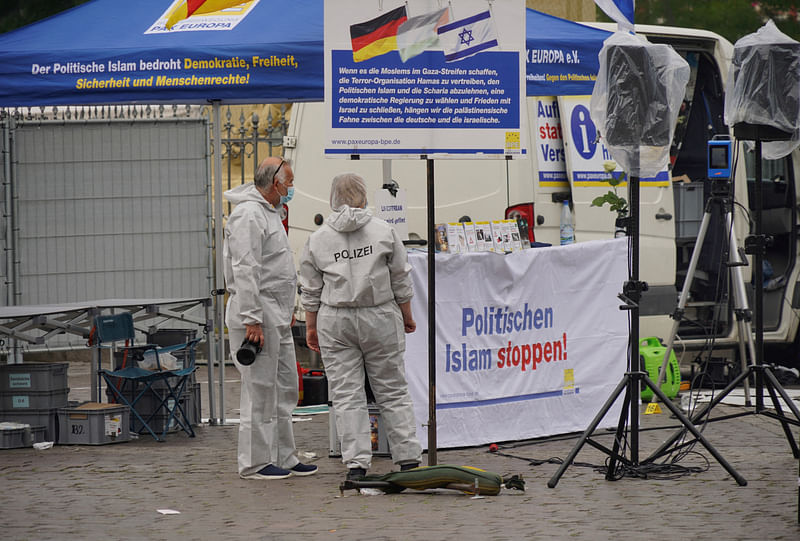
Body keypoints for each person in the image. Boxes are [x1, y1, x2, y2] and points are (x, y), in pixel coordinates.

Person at [298, 172, 423, 482]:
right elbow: (400, 278)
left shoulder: (318, 239)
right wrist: (406, 314)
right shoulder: (383, 231)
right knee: (392, 389)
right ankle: (408, 459)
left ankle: (356, 464)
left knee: (346, 394)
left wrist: (311, 326)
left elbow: (310, 289)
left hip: (335, 318)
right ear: (364, 197)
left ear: (332, 199)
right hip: (378, 313)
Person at [222, 156, 317, 480]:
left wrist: (285, 310)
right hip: (258, 315)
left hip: (273, 313)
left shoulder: (269, 212)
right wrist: (252, 320)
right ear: (275, 183)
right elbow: (246, 269)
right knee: (260, 390)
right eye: (289, 183)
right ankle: (254, 462)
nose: (291, 189)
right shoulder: (249, 215)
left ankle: (283, 456)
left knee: (285, 387)